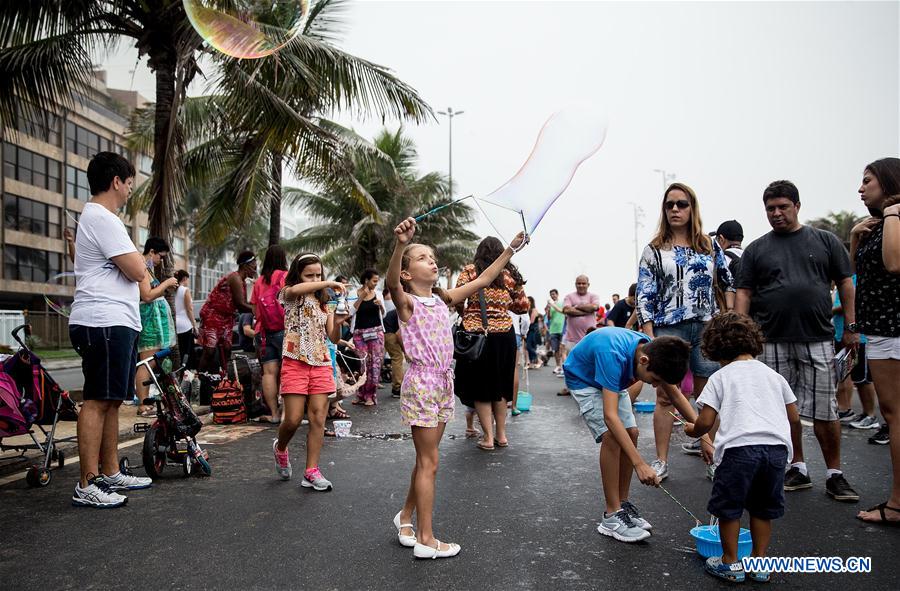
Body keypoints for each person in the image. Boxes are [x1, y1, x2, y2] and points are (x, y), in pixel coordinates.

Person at [387, 217, 528, 559]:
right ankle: (426, 538)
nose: (431, 261)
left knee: (426, 460)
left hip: (441, 383)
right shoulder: (407, 302)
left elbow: (484, 277)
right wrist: (401, 244)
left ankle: (406, 517)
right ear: (407, 273)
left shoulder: (442, 299)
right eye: (422, 258)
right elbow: (391, 281)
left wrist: (510, 248)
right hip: (422, 382)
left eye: (432, 257)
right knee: (429, 461)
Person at [735, 179, 859, 501]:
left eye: (782, 207)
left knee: (826, 410)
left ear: (797, 206)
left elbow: (846, 282)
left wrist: (852, 326)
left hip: (817, 337)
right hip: (770, 341)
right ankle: (797, 466)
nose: (776, 214)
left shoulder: (825, 241)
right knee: (780, 410)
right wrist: (741, 334)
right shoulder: (756, 249)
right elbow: (744, 292)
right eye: (770, 209)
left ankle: (835, 474)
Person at [679, 312, 799, 583]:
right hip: (776, 450)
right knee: (762, 509)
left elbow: (706, 422)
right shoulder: (773, 376)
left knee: (728, 508)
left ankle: (730, 562)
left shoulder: (720, 377)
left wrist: (693, 430)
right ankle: (759, 563)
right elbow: (793, 417)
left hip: (739, 451)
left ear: (715, 348)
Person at [68, 151, 152, 508]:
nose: (131, 190)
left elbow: (133, 269)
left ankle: (111, 471)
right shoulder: (102, 217)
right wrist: (138, 264)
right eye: (130, 183)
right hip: (101, 320)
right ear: (116, 181)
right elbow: (137, 271)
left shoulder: (103, 219)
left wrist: (136, 264)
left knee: (112, 400)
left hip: (115, 321)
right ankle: (87, 483)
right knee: (97, 400)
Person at [563, 327, 700, 543]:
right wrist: (640, 464)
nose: (655, 385)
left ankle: (622, 505)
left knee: (632, 433)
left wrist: (705, 437)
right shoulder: (612, 355)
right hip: (585, 380)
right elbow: (610, 416)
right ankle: (611, 515)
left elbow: (675, 395)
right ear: (644, 361)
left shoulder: (653, 351)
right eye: (654, 379)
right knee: (612, 436)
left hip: (611, 380)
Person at [636, 182, 733, 481]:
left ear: (693, 208)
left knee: (708, 396)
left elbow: (727, 281)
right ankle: (662, 460)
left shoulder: (709, 244)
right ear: (664, 210)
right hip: (668, 328)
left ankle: (711, 455)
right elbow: (644, 294)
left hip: (706, 327)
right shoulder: (654, 248)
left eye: (682, 204)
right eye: (670, 205)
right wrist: (651, 337)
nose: (676, 209)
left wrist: (726, 318)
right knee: (666, 397)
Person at [272, 253, 348, 491]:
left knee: (318, 418)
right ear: (298, 275)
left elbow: (332, 337)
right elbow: (296, 290)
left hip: (321, 362)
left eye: (319, 274)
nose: (316, 278)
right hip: (295, 361)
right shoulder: (289, 294)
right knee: (293, 419)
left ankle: (311, 471)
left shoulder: (324, 301)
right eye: (310, 275)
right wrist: (327, 283)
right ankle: (280, 448)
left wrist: (338, 320)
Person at [852, 158, 900, 524]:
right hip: (882, 329)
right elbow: (860, 276)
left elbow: (894, 263)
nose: (861, 188)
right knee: (893, 415)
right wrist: (855, 237)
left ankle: (897, 504)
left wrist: (894, 215)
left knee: (896, 416)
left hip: (894, 328)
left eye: (867, 181)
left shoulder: (896, 219)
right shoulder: (880, 224)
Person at [454, 236, 528, 450]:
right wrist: (502, 305)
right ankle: (502, 435)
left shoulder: (469, 271)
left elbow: (457, 299)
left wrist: (466, 312)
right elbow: (522, 306)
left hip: (476, 336)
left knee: (481, 387)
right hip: (504, 335)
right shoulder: (509, 274)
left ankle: (487, 437)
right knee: (500, 387)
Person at [135, 237, 178, 417]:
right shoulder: (142, 267)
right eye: (160, 256)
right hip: (150, 323)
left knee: (154, 362)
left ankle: (148, 401)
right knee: (146, 362)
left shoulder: (149, 268)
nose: (161, 260)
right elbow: (147, 295)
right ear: (151, 252)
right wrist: (166, 284)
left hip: (156, 323)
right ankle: (142, 404)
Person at [832, 275, 879, 430]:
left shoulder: (857, 279)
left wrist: (828, 309)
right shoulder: (849, 277)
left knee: (863, 379)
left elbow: (852, 302)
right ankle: (863, 413)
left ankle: (871, 415)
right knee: (850, 376)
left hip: (859, 338)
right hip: (842, 335)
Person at [198, 251, 257, 372]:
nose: (255, 271)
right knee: (210, 350)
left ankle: (224, 378)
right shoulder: (234, 278)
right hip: (213, 315)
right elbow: (241, 305)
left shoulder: (242, 282)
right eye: (254, 268)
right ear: (245, 266)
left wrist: (257, 305)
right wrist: (259, 310)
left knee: (227, 349)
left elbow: (244, 304)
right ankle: (199, 378)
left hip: (226, 318)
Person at [250, 245, 288, 423]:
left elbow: (255, 311)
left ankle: (273, 414)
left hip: (263, 333)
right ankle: (286, 415)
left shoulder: (259, 281)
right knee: (288, 370)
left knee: (269, 373)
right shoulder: (286, 277)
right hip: (285, 330)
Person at [557, 275, 601, 396]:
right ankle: (569, 387)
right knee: (571, 364)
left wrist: (576, 307)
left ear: (588, 284)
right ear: (575, 284)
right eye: (579, 283)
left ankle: (591, 387)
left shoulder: (593, 296)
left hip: (589, 337)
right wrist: (587, 309)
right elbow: (566, 310)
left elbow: (595, 307)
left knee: (590, 362)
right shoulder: (569, 296)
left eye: (583, 283)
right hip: (572, 337)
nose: (581, 285)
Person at [350, 268, 385, 406]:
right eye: (374, 281)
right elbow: (350, 311)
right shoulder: (353, 293)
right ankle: (360, 393)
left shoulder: (379, 294)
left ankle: (371, 395)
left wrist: (381, 306)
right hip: (359, 333)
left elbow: (384, 315)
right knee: (363, 364)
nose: (376, 284)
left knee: (375, 365)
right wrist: (361, 297)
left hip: (376, 333)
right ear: (366, 280)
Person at [173, 270, 198, 369]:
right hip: (185, 325)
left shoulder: (171, 289)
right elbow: (189, 309)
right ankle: (187, 373)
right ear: (184, 278)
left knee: (178, 351)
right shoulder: (185, 290)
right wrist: (194, 325)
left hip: (174, 324)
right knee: (187, 352)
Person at [383, 306, 405, 398]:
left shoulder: (401, 310)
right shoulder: (403, 312)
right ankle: (397, 387)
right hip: (390, 333)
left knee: (395, 358)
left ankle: (397, 386)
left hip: (386, 331)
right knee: (397, 358)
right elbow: (399, 334)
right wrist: (405, 351)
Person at [545, 289, 566, 375]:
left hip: (562, 328)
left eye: (554, 294)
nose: (552, 296)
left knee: (562, 349)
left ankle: (563, 366)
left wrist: (552, 305)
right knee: (556, 349)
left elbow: (563, 312)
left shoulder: (562, 303)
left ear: (557, 294)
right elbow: (549, 317)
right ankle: (558, 366)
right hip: (553, 329)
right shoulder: (550, 305)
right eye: (551, 295)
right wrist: (549, 309)